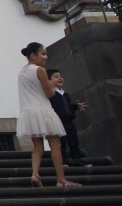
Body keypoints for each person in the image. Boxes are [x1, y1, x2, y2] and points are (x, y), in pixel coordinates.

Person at [19, 43, 81, 188]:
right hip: (43, 110)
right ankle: (61, 179)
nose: (45, 57)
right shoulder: (40, 70)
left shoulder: (22, 71)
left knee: (37, 147)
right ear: (33, 55)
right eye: (43, 54)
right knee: (55, 145)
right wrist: (52, 84)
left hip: (28, 112)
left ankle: (35, 174)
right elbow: (50, 93)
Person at [47, 68, 89, 166]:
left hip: (69, 120)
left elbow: (68, 106)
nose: (60, 78)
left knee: (74, 140)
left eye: (60, 76)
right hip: (59, 121)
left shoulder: (65, 94)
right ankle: (63, 161)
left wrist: (76, 106)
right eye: (56, 77)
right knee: (62, 142)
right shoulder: (52, 94)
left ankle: (76, 159)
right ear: (49, 81)